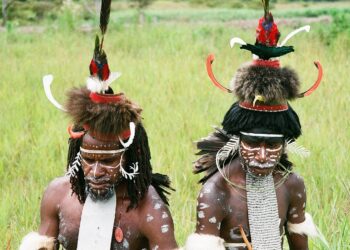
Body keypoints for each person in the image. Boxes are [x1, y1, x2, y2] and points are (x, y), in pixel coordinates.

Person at [19, 1, 178, 249]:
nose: (94, 172)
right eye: (88, 160)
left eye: (107, 161)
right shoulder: (58, 195)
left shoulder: (149, 208)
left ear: (128, 156)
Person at [183, 1, 326, 249]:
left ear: (285, 144)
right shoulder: (216, 191)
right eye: (252, 143)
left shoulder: (292, 185)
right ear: (237, 140)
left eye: (271, 145)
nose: (262, 156)